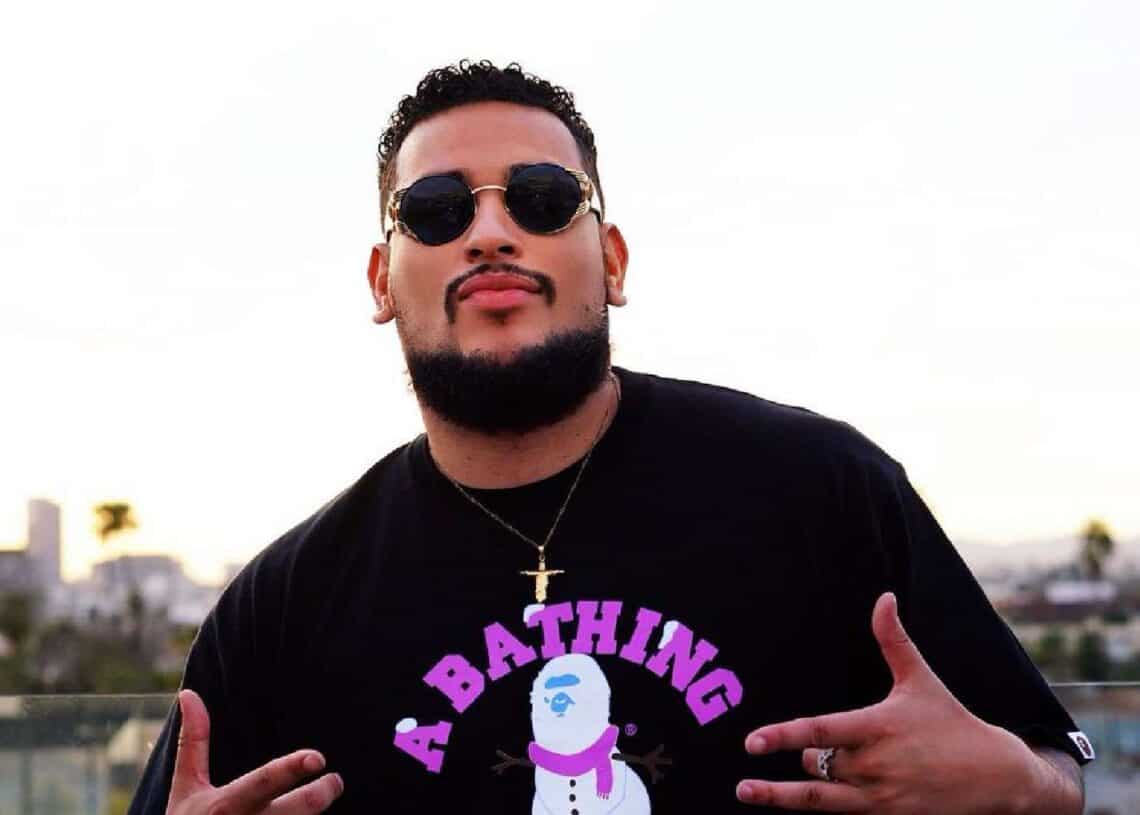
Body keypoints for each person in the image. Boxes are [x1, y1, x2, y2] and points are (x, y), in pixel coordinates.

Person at [129, 60, 1092, 815]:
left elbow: (1049, 773)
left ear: (613, 261)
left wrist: (1017, 785)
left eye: (544, 198)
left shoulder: (824, 490)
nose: (490, 232)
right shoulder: (279, 610)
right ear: (383, 280)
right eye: (437, 210)